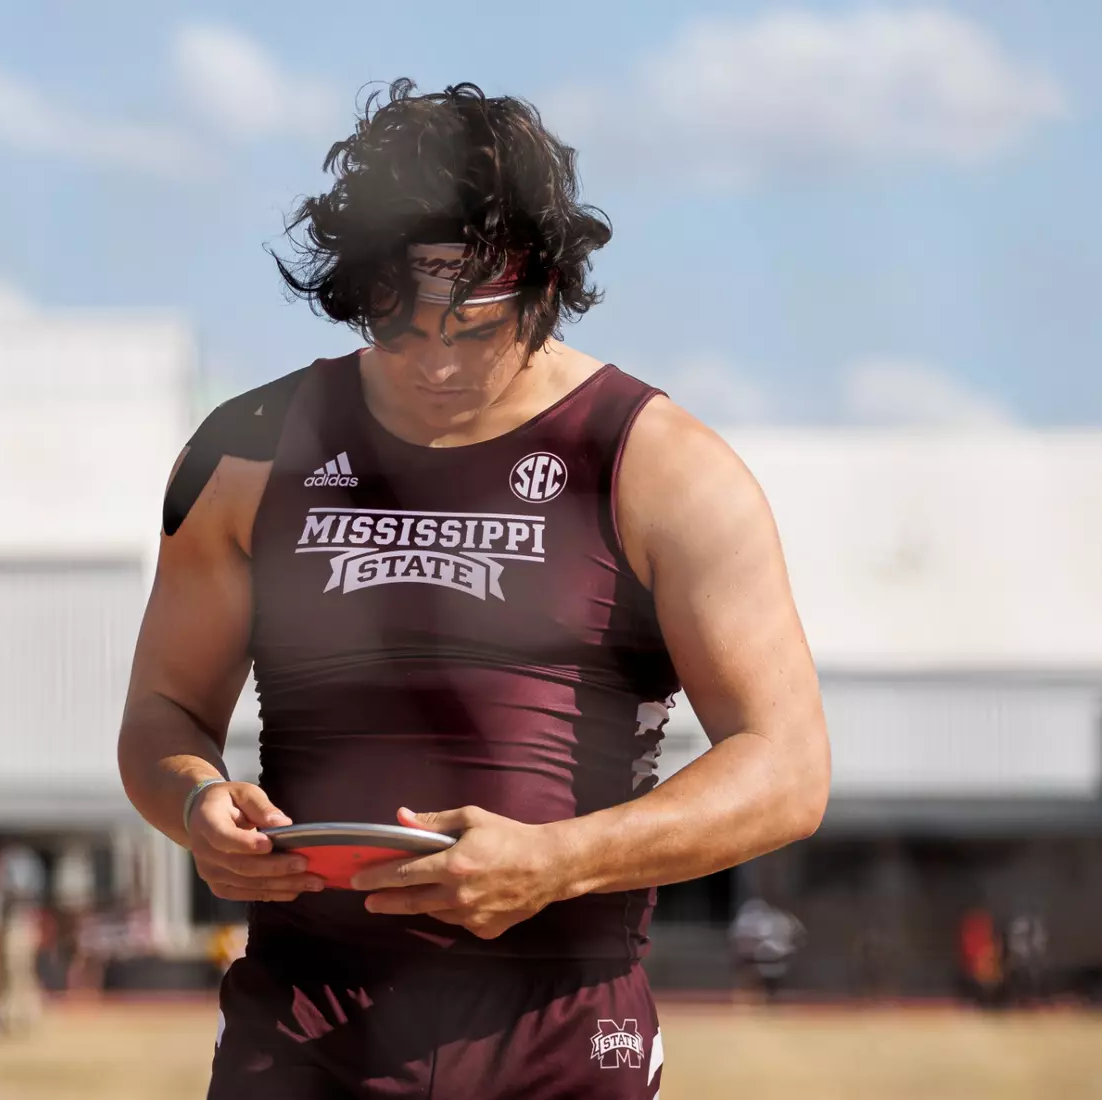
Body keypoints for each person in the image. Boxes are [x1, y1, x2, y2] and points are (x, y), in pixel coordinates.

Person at [118, 80, 831, 1100]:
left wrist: (559, 859)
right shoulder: (248, 450)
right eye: (399, 326)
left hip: (560, 1024)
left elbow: (790, 768)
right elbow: (161, 710)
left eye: (475, 322)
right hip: (308, 1016)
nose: (438, 360)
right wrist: (194, 800)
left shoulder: (664, 467)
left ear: (546, 279)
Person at [728, 898, 806, 1003]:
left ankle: (759, 998)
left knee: (766, 982)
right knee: (752, 977)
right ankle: (751, 997)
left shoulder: (777, 920)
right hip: (763, 956)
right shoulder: (778, 919)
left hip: (771, 957)